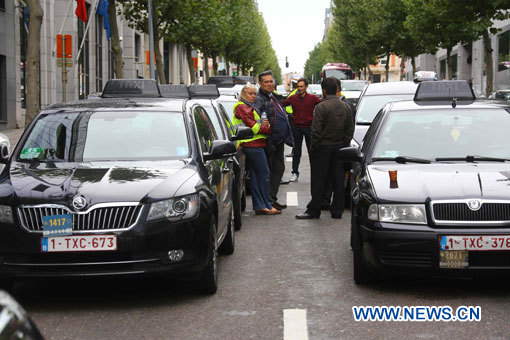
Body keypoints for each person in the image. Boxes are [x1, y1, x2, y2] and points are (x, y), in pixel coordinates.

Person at [296, 77, 354, 219]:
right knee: (338, 179)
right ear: (337, 90)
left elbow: (315, 130)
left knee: (318, 179)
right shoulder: (345, 107)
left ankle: (314, 209)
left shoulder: (321, 107)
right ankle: (337, 210)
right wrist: (345, 144)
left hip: (323, 147)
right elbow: (350, 128)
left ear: (324, 91)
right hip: (340, 147)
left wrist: (314, 147)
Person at [232, 83, 281, 215]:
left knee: (256, 176)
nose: (253, 96)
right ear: (243, 94)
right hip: (253, 145)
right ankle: (266, 205)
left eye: (254, 93)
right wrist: (268, 129)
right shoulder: (243, 108)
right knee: (264, 175)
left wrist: (264, 125)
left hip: (254, 145)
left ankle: (260, 206)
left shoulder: (248, 107)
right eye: (250, 93)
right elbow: (255, 127)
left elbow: (258, 125)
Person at [255, 70, 294, 211]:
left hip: (278, 141)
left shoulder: (272, 96)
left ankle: (271, 199)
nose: (270, 84)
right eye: (266, 82)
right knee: (269, 172)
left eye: (271, 81)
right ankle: (267, 202)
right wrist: (269, 139)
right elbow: (259, 120)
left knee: (278, 169)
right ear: (260, 83)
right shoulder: (259, 99)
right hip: (268, 142)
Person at [282, 78, 321, 182]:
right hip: (296, 127)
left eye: (301, 86)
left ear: (306, 87)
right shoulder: (293, 98)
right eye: (298, 86)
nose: (299, 88)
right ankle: (295, 173)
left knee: (312, 151)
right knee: (296, 151)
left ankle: (316, 173)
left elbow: (322, 106)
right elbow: (282, 104)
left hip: (309, 127)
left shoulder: (313, 98)